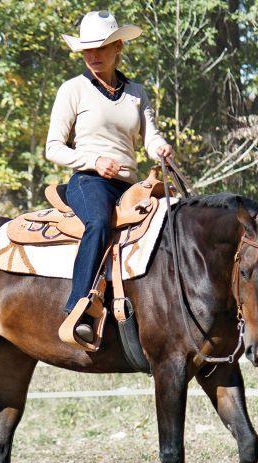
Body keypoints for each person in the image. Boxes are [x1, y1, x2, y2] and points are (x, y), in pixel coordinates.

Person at [46, 10, 173, 343]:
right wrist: (93, 160)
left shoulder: (137, 93)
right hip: (90, 182)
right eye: (87, 49)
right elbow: (53, 148)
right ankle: (79, 307)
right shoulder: (73, 90)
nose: (93, 55)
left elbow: (150, 137)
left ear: (118, 47)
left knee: (174, 222)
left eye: (101, 47)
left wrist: (160, 147)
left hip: (130, 187)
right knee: (99, 224)